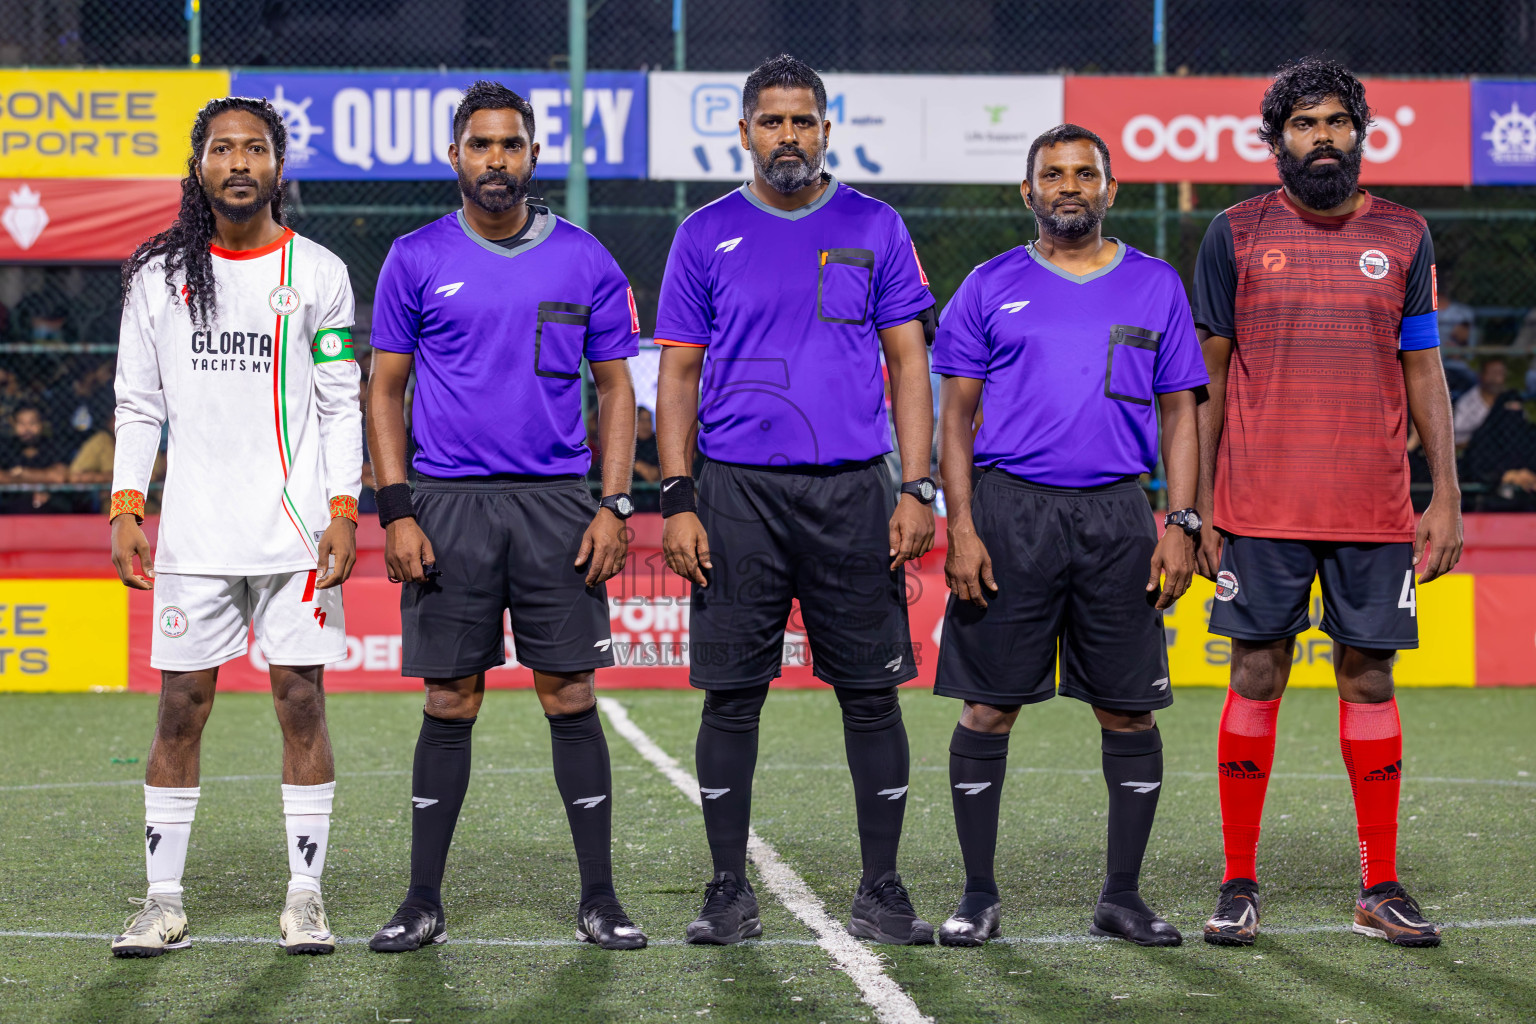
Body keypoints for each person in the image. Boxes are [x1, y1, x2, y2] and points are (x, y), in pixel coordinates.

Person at [655, 54, 939, 946]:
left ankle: (883, 889)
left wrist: (918, 485)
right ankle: (727, 891)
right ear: (743, 133)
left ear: (826, 129)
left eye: (803, 121)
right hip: (736, 493)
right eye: (772, 122)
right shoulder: (704, 233)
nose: (789, 136)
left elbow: (908, 362)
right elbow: (678, 374)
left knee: (871, 696)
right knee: (733, 697)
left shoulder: (877, 224)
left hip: (856, 490)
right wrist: (678, 497)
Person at [365, 81, 646, 953]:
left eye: (512, 144)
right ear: (455, 156)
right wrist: (397, 510)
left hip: (560, 504)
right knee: (450, 698)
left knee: (571, 692)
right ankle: (421, 900)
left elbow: (616, 390)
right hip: (447, 504)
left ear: (532, 154)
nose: (496, 159)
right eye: (480, 144)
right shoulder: (413, 257)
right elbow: (383, 388)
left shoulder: (588, 260)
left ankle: (599, 899)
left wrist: (614, 501)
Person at [1192, 58, 1462, 948]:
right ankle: (1237, 881)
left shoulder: (1407, 233)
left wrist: (1445, 496)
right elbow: (1212, 378)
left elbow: (1422, 367)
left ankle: (1378, 885)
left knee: (1369, 676)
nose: (1322, 139)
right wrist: (1194, 507)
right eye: (1304, 125)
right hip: (1260, 502)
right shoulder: (1233, 232)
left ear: (1359, 133)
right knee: (1257, 672)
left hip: (1374, 506)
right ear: (1276, 141)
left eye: (1337, 123)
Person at [930, 125, 1206, 948]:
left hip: (1120, 517)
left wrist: (1181, 522)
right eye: (1053, 174)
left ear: (1110, 189)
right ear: (1028, 192)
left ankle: (1122, 896)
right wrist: (963, 526)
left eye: (1086, 173)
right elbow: (954, 420)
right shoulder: (988, 285)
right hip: (1010, 511)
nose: (1070, 186)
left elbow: (1182, 415)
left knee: (1129, 715)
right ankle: (978, 894)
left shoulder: (1156, 286)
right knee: (987, 711)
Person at [108, 97, 362, 958]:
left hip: (294, 534)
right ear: (199, 166)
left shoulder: (319, 272)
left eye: (257, 148)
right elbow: (138, 405)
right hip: (195, 538)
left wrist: (342, 508)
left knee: (301, 702)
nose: (241, 162)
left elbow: (339, 405)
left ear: (279, 168)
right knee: (179, 708)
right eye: (224, 149)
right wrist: (127, 504)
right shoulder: (156, 279)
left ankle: (305, 897)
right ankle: (163, 901)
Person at [1, 404, 68, 513]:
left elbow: (59, 477)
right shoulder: (6, 447)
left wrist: (22, 473)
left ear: (41, 424)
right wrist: (42, 478)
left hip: (49, 504)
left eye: (32, 423)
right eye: (21, 424)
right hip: (12, 505)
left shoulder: (52, 446)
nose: (27, 429)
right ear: (14, 425)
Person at [1452, 357, 1507, 447]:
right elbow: (1455, 438)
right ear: (1481, 375)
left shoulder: (1510, 400)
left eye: (1500, 373)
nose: (1496, 377)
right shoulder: (1466, 404)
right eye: (1492, 372)